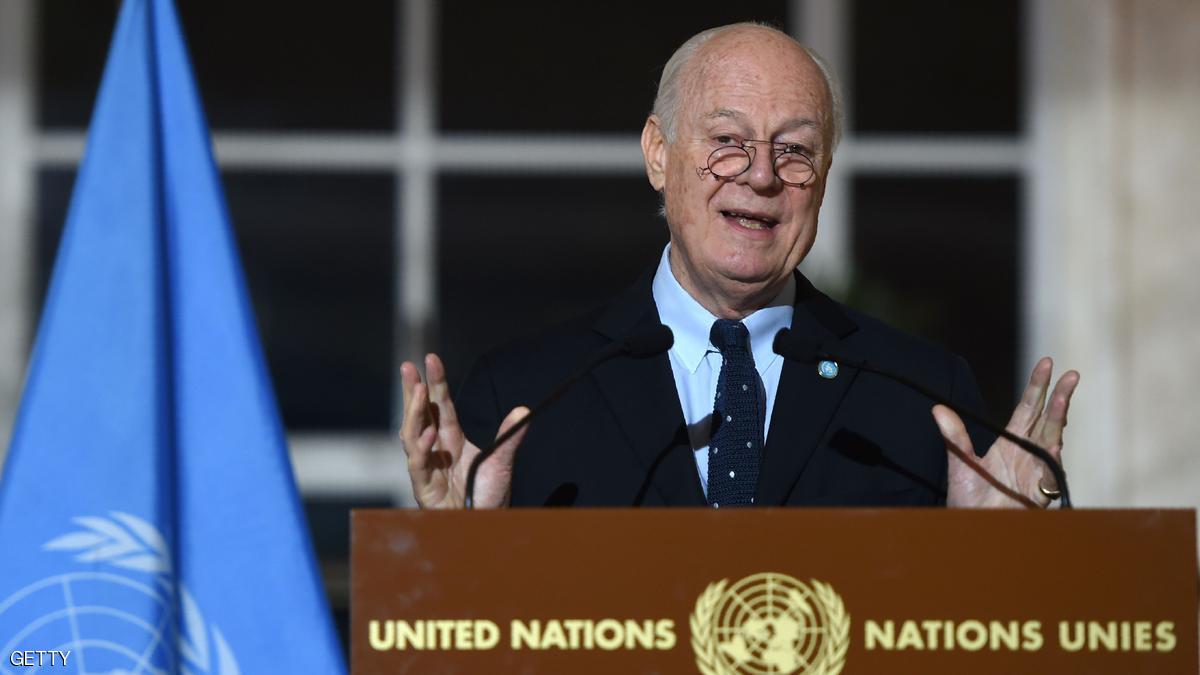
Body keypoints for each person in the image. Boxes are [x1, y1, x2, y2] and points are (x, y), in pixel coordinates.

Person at [398, 23, 1079, 509]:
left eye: (796, 151)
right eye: (728, 141)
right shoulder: (528, 394)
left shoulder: (922, 397)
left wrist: (997, 551)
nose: (761, 175)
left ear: (826, 175)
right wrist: (454, 549)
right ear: (658, 154)